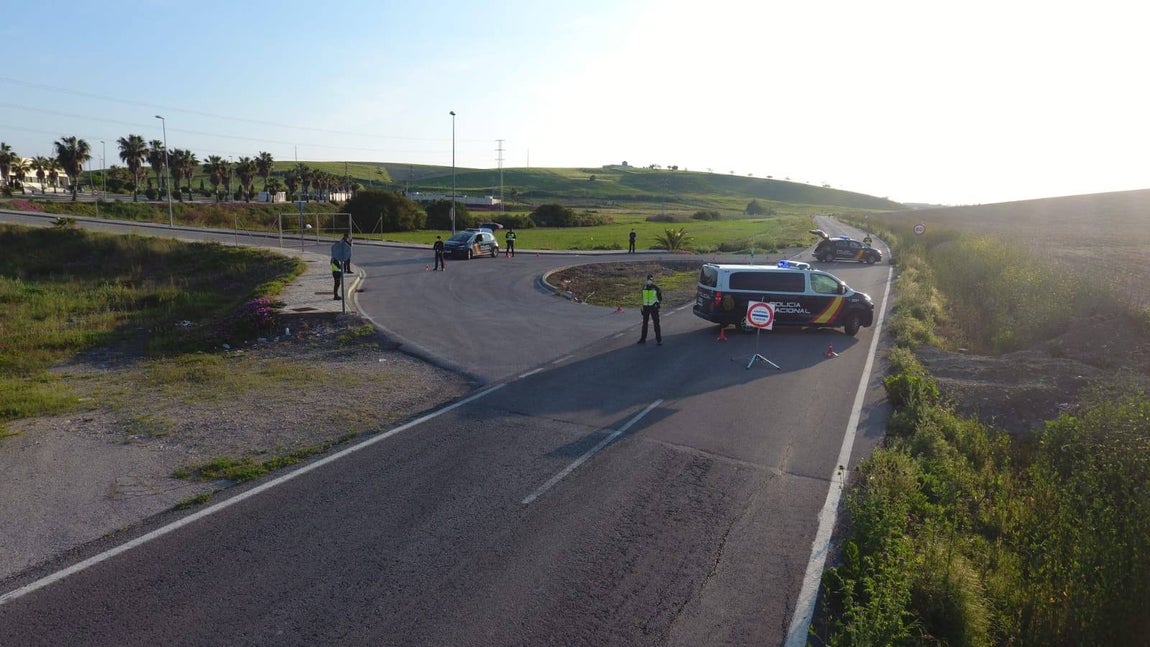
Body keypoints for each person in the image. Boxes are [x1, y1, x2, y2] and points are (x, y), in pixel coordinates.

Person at [638, 274, 662, 345]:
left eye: (650, 280)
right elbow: (643, 298)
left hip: (653, 308)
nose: (649, 281)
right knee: (644, 324)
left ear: (652, 280)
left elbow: (660, 298)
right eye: (648, 280)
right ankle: (643, 339)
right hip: (646, 308)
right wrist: (642, 308)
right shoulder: (644, 288)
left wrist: (657, 304)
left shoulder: (656, 288)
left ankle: (659, 340)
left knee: (656, 324)